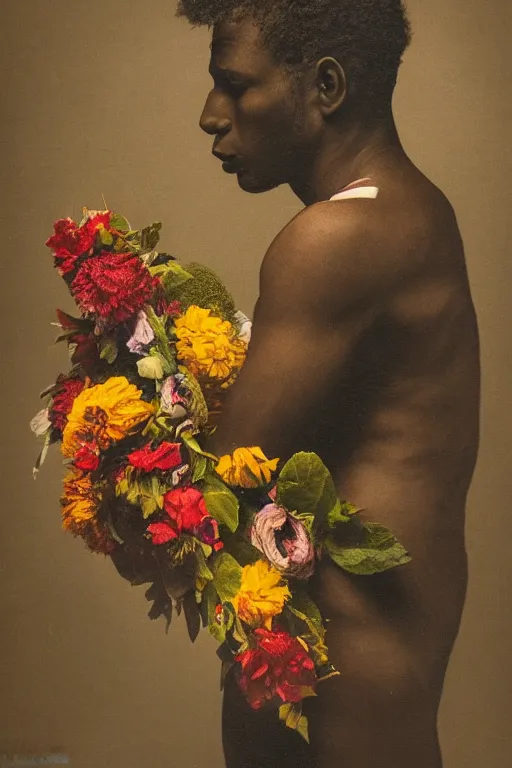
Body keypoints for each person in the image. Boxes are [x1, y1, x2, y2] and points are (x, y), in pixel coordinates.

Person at [173, 2, 481, 766]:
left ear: (327, 86)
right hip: (358, 672)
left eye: (235, 85)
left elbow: (216, 484)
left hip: (344, 688)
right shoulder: (415, 209)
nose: (211, 115)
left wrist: (117, 421)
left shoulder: (337, 238)